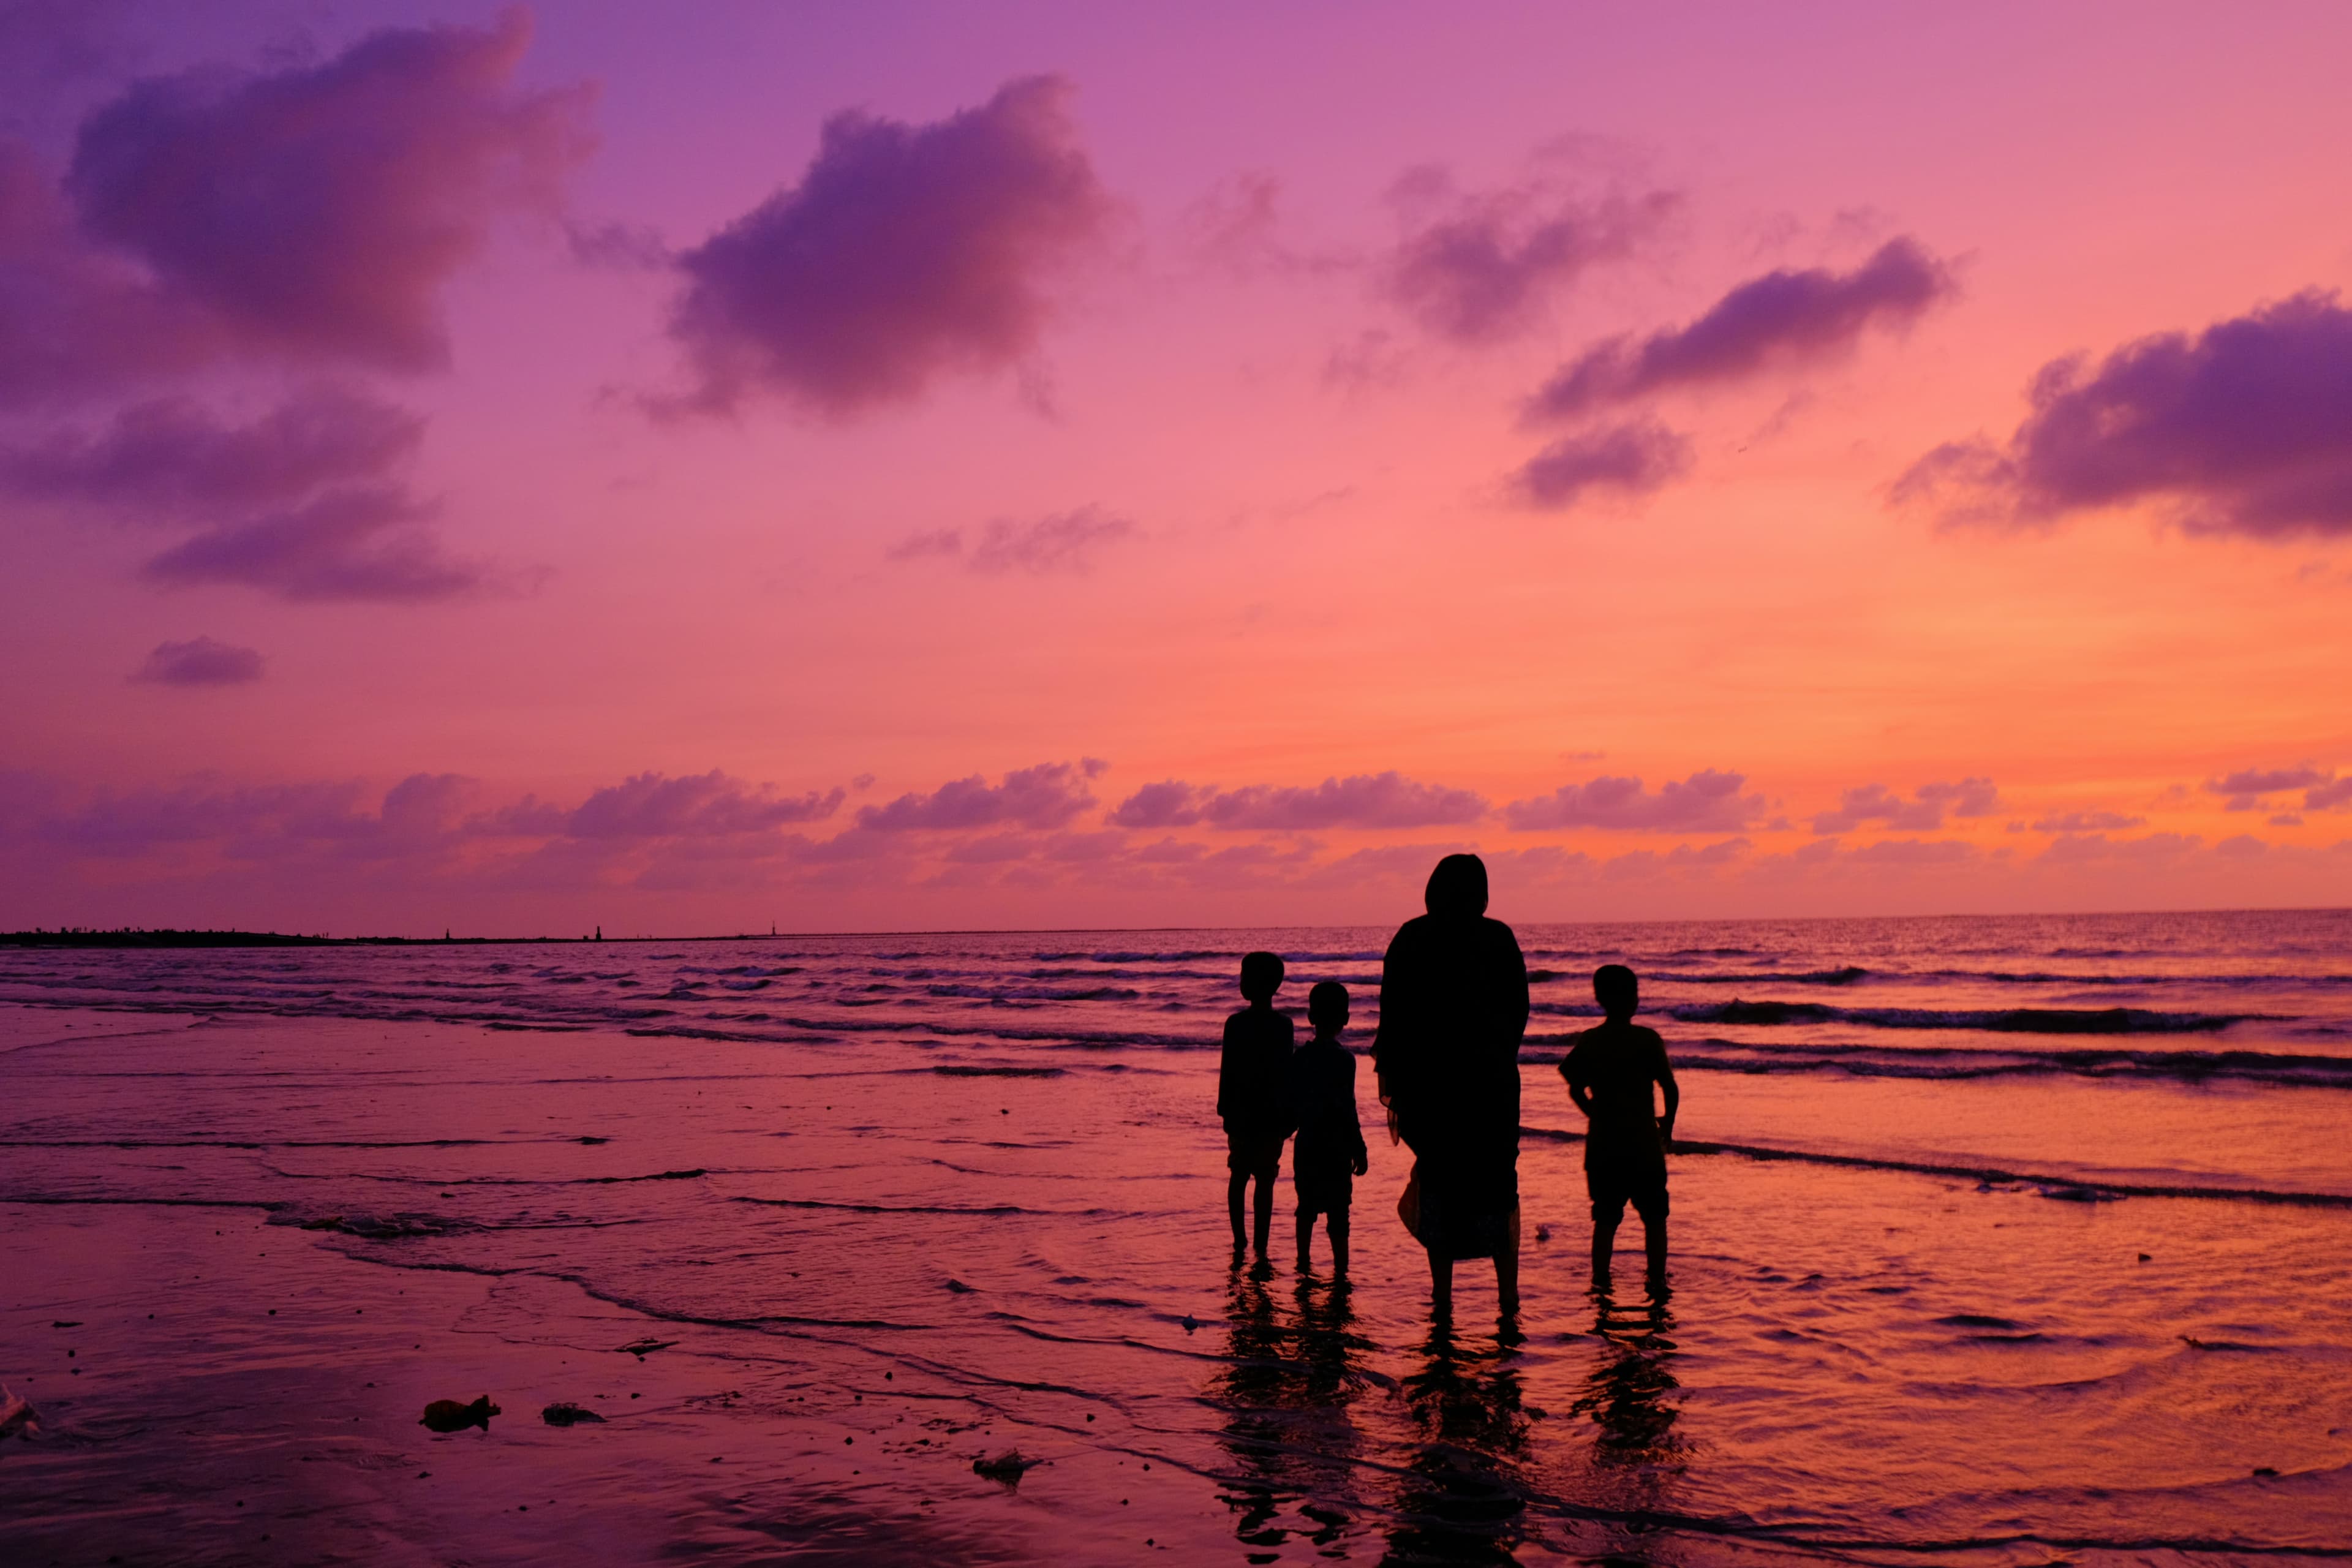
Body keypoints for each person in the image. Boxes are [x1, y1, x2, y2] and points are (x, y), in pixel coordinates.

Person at [1373, 854, 1531, 1317]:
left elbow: (1394, 1016)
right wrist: (1494, 1058)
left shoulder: (1412, 937)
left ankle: (1443, 1297)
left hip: (1429, 1086)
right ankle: (1507, 1296)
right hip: (1489, 1087)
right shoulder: (1496, 937)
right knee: (1497, 1183)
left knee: (1441, 1182)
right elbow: (1517, 1011)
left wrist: (1402, 1083)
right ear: (1481, 891)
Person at [1559, 964, 1678, 1281]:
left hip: (1603, 1145)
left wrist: (1595, 1114)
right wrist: (1667, 1126)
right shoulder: (1647, 1039)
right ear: (1634, 1000)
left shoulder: (1592, 1040)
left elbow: (1573, 1085)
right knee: (1655, 1217)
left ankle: (1600, 1278)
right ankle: (1656, 1278)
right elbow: (1669, 1087)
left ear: (1599, 998)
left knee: (1606, 1218)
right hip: (1643, 1143)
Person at [1218, 950, 1295, 1261]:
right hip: (1271, 1115)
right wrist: (1289, 1114)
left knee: (1239, 1176)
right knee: (1265, 1180)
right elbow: (1286, 1074)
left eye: (1243, 977)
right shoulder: (1283, 1025)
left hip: (1243, 1113)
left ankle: (1240, 1240)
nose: (1241, 982)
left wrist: (1225, 1110)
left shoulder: (1235, 1024)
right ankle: (1260, 1242)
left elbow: (1228, 1071)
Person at [1287, 981, 1368, 1276]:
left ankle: (1303, 1264)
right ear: (1345, 1019)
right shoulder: (1345, 1061)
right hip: (1336, 1147)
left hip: (1308, 1142)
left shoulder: (1300, 1058)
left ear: (1311, 1017)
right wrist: (1359, 1148)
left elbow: (1292, 1102)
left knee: (1306, 1207)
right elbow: (1349, 1108)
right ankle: (1341, 1270)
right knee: (1338, 1211)